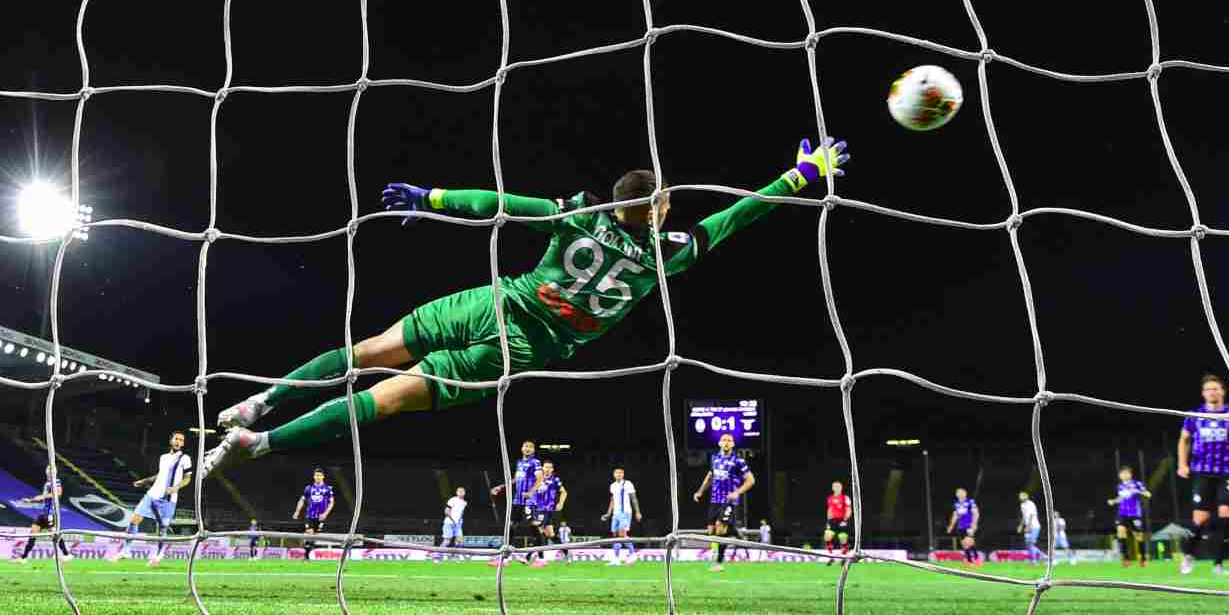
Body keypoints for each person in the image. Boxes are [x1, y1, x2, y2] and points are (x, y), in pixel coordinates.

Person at [202, 140, 849, 475]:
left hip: (489, 305)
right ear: (652, 209)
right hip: (515, 351)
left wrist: (431, 198)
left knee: (369, 350)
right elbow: (738, 216)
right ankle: (260, 443)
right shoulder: (667, 253)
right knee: (391, 398)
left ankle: (262, 402)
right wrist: (800, 175)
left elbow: (499, 205)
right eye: (666, 201)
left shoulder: (579, 213)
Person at [1179, 371, 1229, 576]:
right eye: (1208, 389)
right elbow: (1183, 440)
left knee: (1226, 517)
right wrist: (1182, 465)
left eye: (1215, 388)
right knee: (1200, 519)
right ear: (1203, 393)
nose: (1212, 392)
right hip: (1203, 471)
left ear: (1223, 391)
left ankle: (1219, 564)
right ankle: (1189, 554)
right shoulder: (1194, 415)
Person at [109, 431, 192, 566]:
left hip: (168, 499)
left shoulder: (184, 458)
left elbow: (188, 478)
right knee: (134, 520)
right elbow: (159, 476)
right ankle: (126, 550)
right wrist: (144, 481)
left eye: (181, 440)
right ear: (171, 440)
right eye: (176, 439)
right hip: (152, 494)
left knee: (162, 529)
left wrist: (175, 487)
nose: (179, 442)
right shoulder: (163, 457)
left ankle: (158, 557)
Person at [694, 433, 755, 573]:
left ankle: (719, 562)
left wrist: (737, 493)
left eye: (729, 440)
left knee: (720, 528)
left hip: (729, 500)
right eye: (724, 440)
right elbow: (710, 476)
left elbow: (751, 480)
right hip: (714, 500)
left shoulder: (738, 461)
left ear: (733, 444)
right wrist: (700, 491)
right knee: (711, 531)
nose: (726, 442)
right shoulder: (714, 458)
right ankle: (734, 531)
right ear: (719, 443)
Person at [10, 466, 73, 563]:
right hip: (43, 513)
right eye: (48, 471)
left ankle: (67, 554)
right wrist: (31, 500)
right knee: (32, 534)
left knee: (54, 535)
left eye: (51, 471)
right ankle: (23, 558)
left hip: (50, 513)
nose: (48, 472)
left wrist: (42, 496)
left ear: (54, 472)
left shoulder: (56, 481)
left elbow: (58, 493)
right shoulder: (47, 484)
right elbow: (44, 499)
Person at [1107, 465, 1150, 567]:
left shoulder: (1137, 484)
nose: (1123, 475)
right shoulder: (1120, 486)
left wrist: (1138, 491)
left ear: (1130, 474)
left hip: (1135, 513)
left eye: (1126, 473)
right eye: (1122, 473)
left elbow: (1148, 494)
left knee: (1138, 537)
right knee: (1120, 531)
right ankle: (1126, 559)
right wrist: (1113, 501)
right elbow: (1121, 498)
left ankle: (1143, 559)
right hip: (1122, 513)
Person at [525, 461, 566, 567]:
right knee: (550, 535)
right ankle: (567, 552)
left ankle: (538, 558)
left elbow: (564, 492)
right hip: (538, 509)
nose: (547, 469)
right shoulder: (538, 479)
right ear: (542, 468)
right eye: (546, 467)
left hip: (547, 510)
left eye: (549, 467)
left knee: (540, 532)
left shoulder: (555, 480)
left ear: (552, 469)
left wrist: (560, 503)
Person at [602, 467, 641, 566]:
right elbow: (612, 500)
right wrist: (608, 513)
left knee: (622, 534)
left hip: (625, 512)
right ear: (614, 475)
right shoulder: (612, 486)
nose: (618, 475)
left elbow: (634, 498)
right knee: (615, 536)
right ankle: (616, 559)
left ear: (623, 474)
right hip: (616, 513)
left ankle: (632, 554)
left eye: (620, 473)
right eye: (616, 473)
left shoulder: (628, 484)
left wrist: (637, 512)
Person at [294, 468, 334, 561]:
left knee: (314, 536)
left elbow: (331, 503)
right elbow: (302, 500)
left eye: (320, 475)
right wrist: (297, 511)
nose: (318, 477)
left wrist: (325, 514)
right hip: (310, 515)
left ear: (323, 477)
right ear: (314, 476)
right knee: (310, 533)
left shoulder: (328, 489)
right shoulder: (308, 488)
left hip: (321, 517)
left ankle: (307, 553)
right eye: (316, 475)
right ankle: (306, 556)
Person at [946, 487, 980, 566]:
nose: (960, 494)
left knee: (969, 542)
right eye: (958, 493)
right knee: (964, 544)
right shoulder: (957, 504)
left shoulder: (970, 502)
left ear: (965, 494)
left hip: (969, 525)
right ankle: (969, 561)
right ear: (956, 495)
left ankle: (976, 559)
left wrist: (974, 523)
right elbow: (955, 515)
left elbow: (976, 513)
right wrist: (951, 526)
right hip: (961, 526)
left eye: (962, 493)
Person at [823, 481, 852, 565]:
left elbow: (848, 510)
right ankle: (831, 556)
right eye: (835, 487)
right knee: (827, 536)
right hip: (833, 521)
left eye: (838, 487)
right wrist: (828, 521)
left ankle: (844, 557)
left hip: (842, 520)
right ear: (832, 488)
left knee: (842, 538)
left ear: (841, 488)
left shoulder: (845, 498)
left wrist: (845, 520)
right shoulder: (830, 498)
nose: (837, 488)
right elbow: (830, 510)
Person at [438, 487, 467, 563]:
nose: (461, 493)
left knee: (459, 541)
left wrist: (460, 520)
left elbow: (461, 513)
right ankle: (438, 556)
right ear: (456, 493)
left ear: (464, 493)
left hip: (457, 525)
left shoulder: (464, 502)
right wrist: (453, 520)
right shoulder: (453, 500)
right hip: (449, 523)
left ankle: (455, 557)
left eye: (462, 491)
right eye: (459, 491)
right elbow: (446, 511)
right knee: (447, 541)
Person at [1016, 491, 1044, 564]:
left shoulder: (1031, 504)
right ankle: (1041, 557)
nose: (1020, 497)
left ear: (1026, 496)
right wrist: (1021, 526)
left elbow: (1032, 515)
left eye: (1022, 496)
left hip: (1034, 526)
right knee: (1028, 544)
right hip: (1028, 526)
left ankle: (1035, 560)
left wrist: (1028, 526)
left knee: (1031, 543)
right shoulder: (1022, 505)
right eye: (1020, 496)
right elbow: (1024, 516)